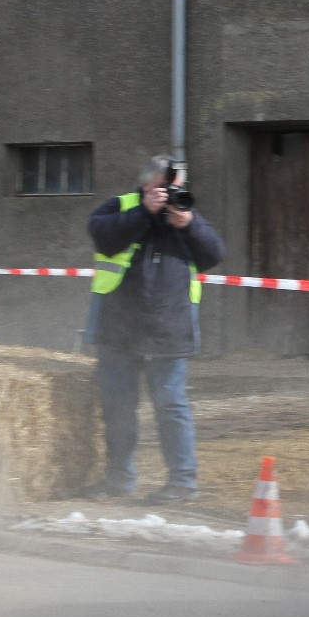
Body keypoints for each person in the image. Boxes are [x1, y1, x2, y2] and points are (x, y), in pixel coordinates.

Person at [84, 155, 225, 503]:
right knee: (118, 409)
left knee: (171, 407)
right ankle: (118, 481)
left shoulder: (185, 214)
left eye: (176, 187)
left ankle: (182, 482)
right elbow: (102, 238)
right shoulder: (121, 206)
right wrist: (143, 212)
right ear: (146, 184)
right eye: (164, 187)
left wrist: (188, 224)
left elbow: (214, 254)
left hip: (168, 328)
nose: (171, 194)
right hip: (119, 329)